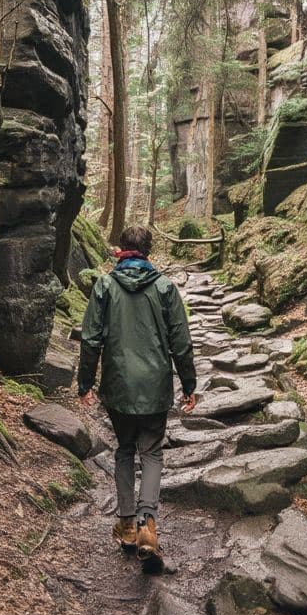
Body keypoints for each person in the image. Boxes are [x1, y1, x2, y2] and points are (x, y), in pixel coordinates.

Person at [77, 224, 197, 567]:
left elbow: (90, 340)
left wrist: (84, 383)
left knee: (125, 451)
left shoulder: (104, 285)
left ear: (121, 248)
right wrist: (189, 385)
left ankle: (127, 525)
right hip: (156, 385)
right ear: (148, 251)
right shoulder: (164, 288)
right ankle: (148, 524)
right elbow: (181, 342)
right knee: (153, 452)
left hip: (118, 386)